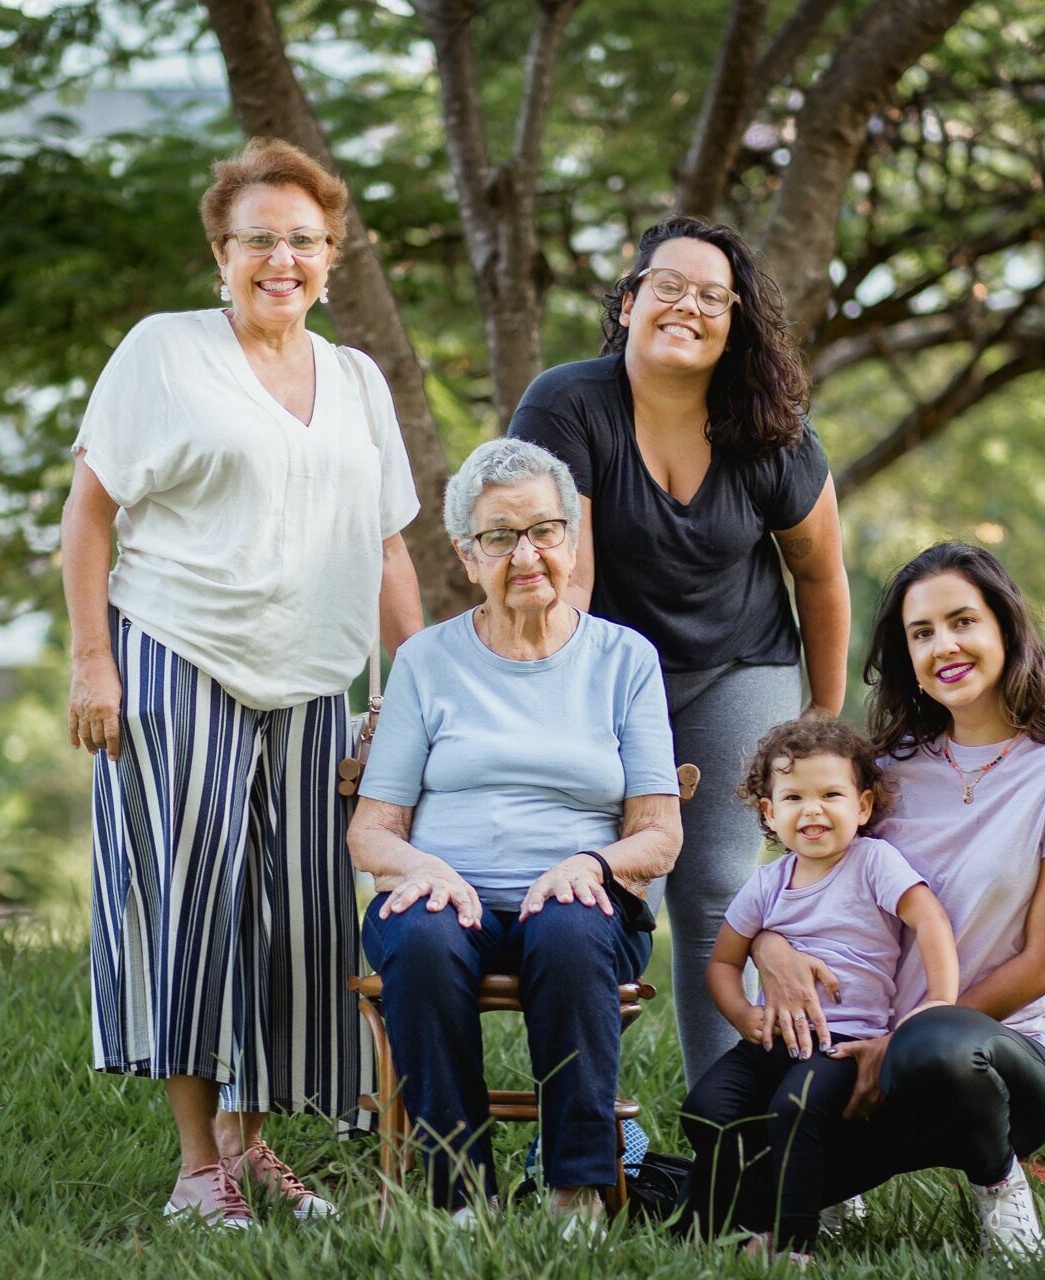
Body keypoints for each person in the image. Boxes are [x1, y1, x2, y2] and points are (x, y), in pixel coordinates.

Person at [61, 138, 423, 1228]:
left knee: (298, 921)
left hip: (314, 684)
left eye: (305, 240)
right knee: (194, 910)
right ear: (219, 252)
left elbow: (390, 550)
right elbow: (89, 513)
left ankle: (252, 1145)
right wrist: (92, 659)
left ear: (332, 255)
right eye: (259, 237)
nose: (283, 257)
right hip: (179, 657)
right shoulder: (164, 352)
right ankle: (194, 1166)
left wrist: (420, 694)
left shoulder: (357, 378)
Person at [508, 215, 850, 1089]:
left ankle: (727, 1130)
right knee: (614, 896)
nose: (687, 307)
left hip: (744, 665)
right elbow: (566, 576)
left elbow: (820, 576)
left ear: (735, 324)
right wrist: (561, 704)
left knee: (716, 893)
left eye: (713, 297)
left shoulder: (772, 430)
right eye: (668, 287)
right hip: (612, 678)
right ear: (628, 304)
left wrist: (821, 717)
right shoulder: (566, 404)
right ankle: (596, 1139)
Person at [747, 542, 1045, 1259]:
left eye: (962, 622)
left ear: (1006, 630)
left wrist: (905, 1040)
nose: (943, 646)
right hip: (865, 1062)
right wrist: (770, 948)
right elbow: (803, 884)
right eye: (921, 633)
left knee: (933, 1044)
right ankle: (822, 1186)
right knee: (721, 1202)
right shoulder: (886, 771)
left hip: (992, 1066)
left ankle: (998, 1188)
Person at [346, 438, 683, 1225]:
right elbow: (372, 832)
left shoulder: (625, 660)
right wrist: (423, 868)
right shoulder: (427, 661)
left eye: (544, 530)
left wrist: (593, 865)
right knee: (424, 937)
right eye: (500, 536)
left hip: (581, 911)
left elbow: (659, 834)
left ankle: (577, 1190)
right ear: (467, 555)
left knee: (569, 930)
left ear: (571, 541)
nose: (526, 553)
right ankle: (460, 1197)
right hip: (448, 901)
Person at [680, 717, 959, 1263]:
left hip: (844, 1043)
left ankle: (794, 1245)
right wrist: (743, 1017)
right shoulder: (767, 883)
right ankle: (721, 1227)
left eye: (831, 794)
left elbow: (930, 921)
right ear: (769, 812)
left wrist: (938, 1003)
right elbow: (721, 964)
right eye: (793, 797)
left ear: (862, 806)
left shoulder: (872, 862)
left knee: (795, 1108)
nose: (812, 810)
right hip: (771, 1039)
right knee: (705, 1109)